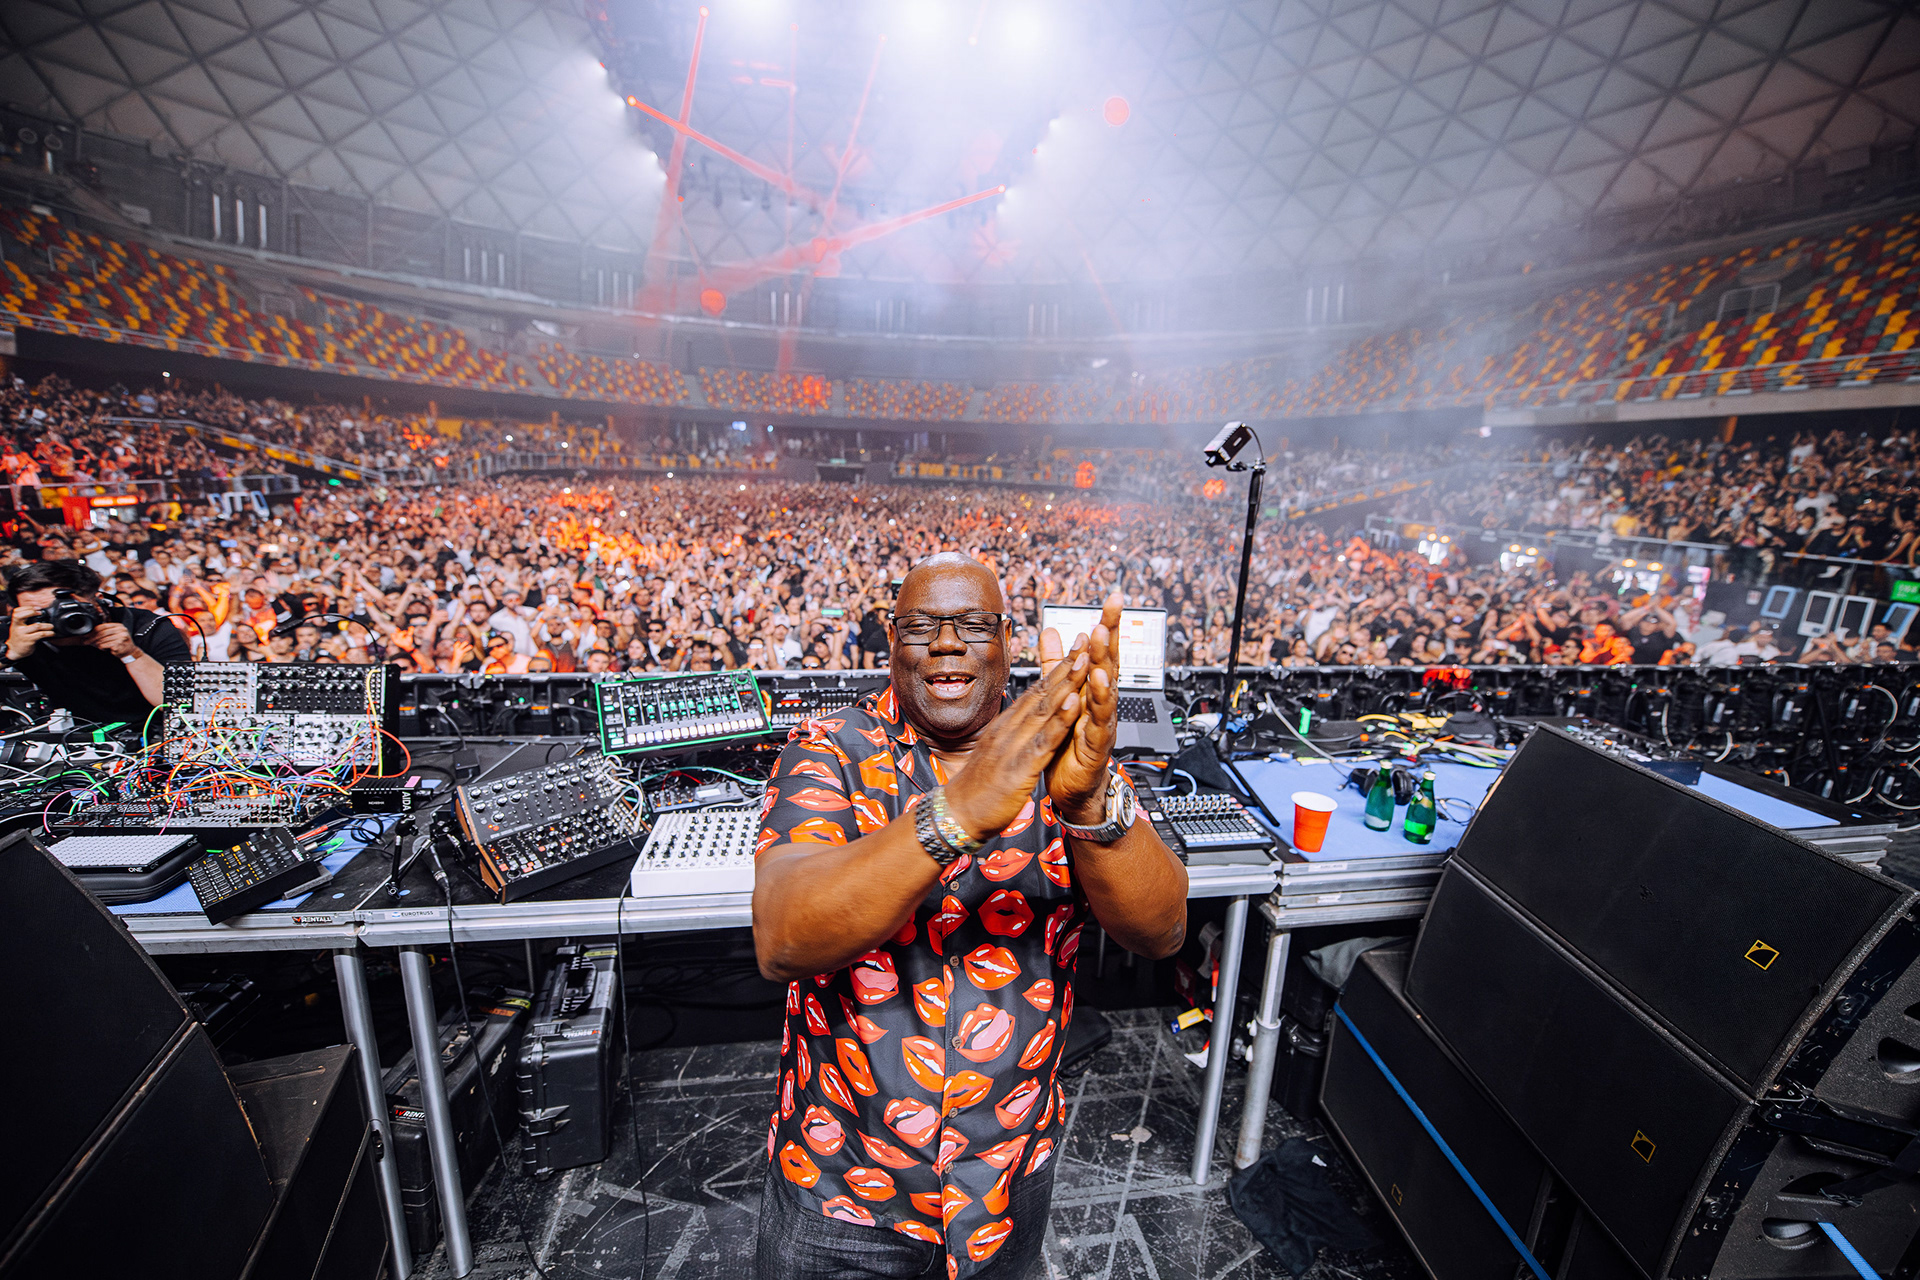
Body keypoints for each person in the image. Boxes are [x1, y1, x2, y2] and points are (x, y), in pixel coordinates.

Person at [751, 556, 1187, 1280]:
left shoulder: (1063, 753)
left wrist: (1088, 807)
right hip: (842, 1189)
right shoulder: (830, 749)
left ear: (1007, 641)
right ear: (893, 641)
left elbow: (1162, 931)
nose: (948, 643)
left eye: (974, 625)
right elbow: (783, 936)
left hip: (1007, 1180)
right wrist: (956, 812)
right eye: (922, 626)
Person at [2, 558, 190, 726]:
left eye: (64, 609)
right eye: (42, 614)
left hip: (150, 732)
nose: (57, 620)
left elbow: (180, 705)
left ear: (98, 602)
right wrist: (10, 654)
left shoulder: (147, 627)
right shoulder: (21, 633)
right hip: (69, 734)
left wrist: (132, 654)